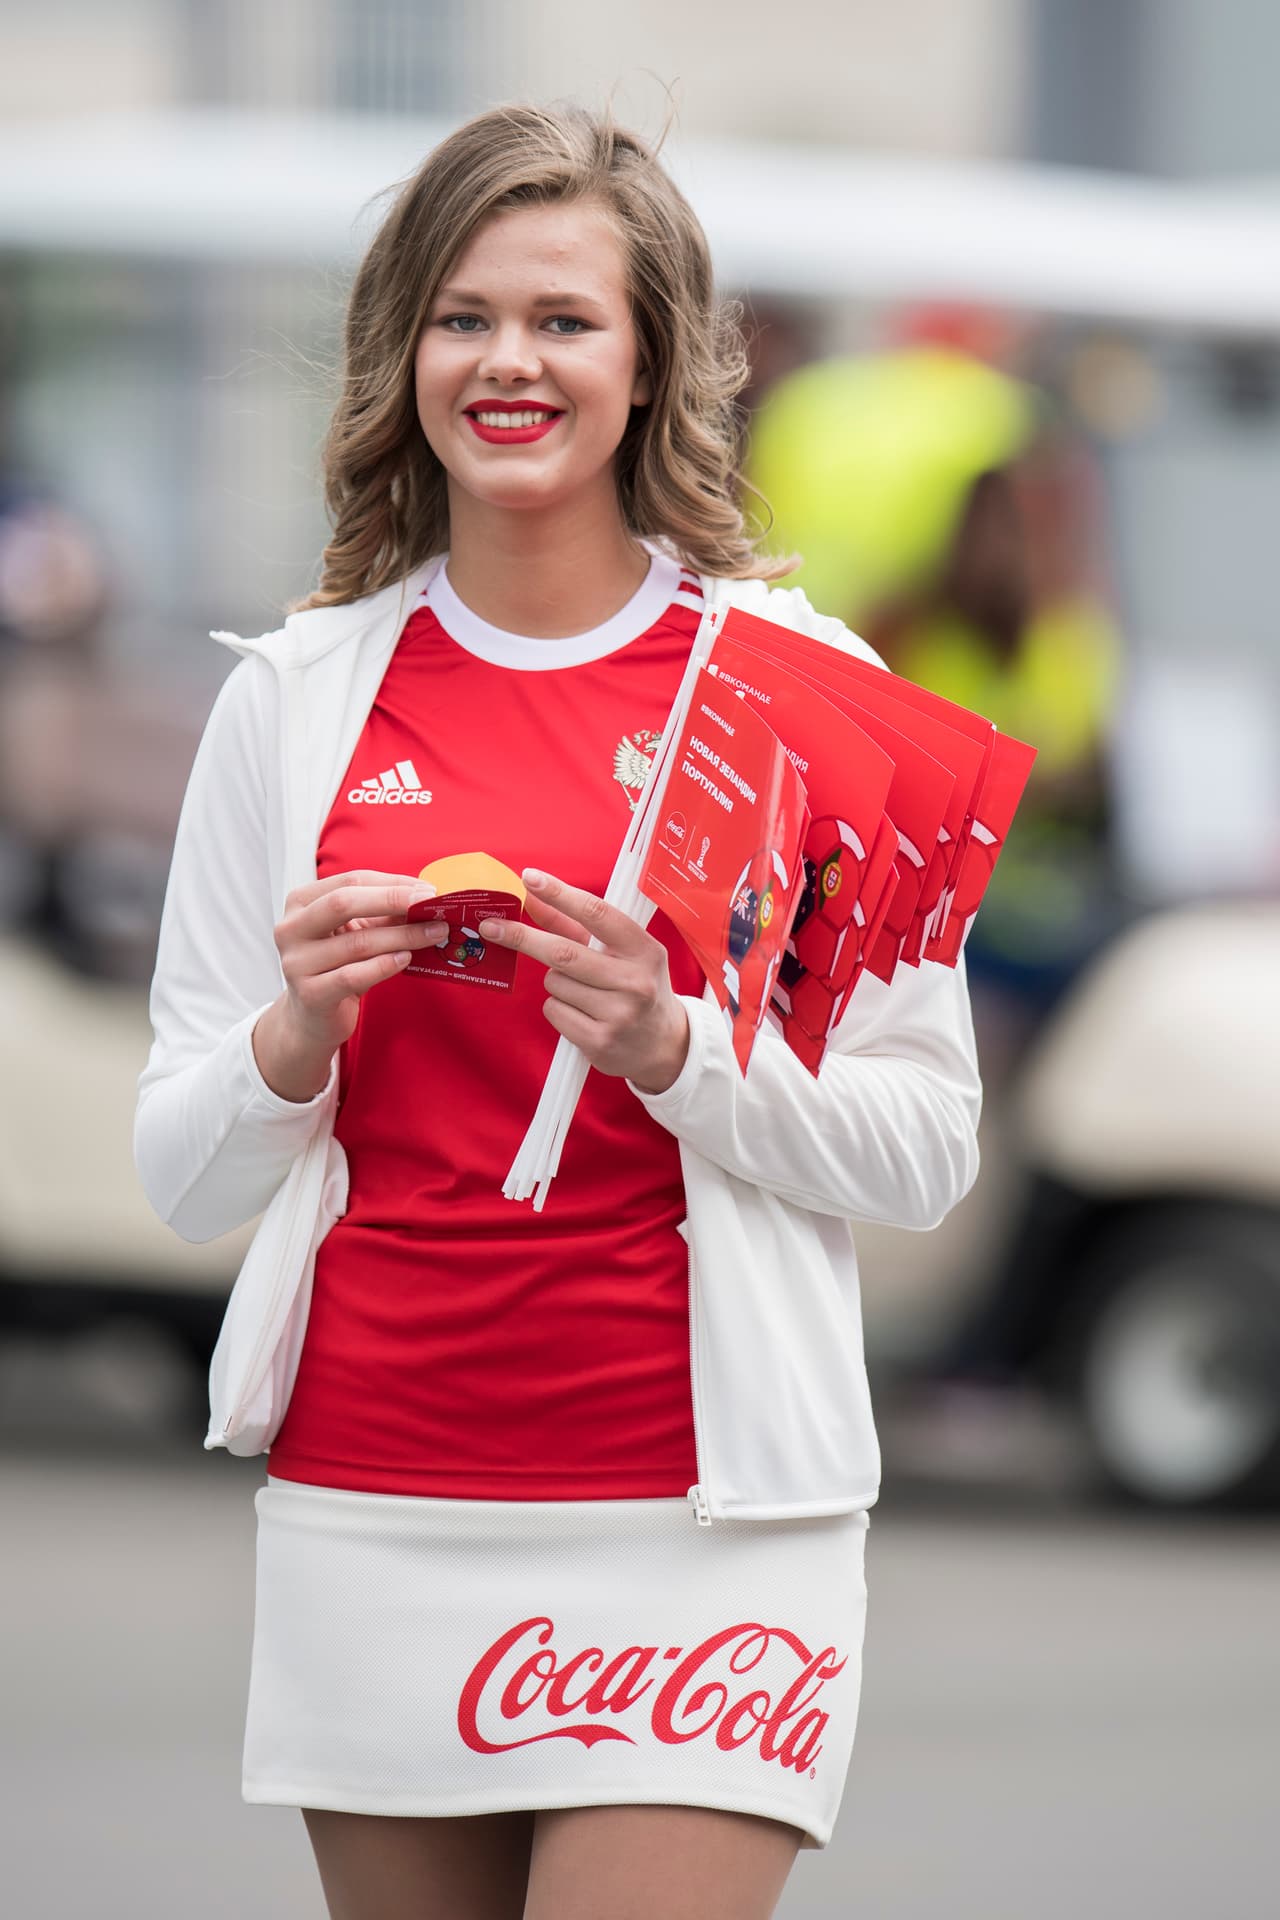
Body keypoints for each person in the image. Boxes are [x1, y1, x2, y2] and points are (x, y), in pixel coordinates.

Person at [133, 102, 983, 1920]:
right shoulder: (293, 702)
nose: (510, 361)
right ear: (405, 355)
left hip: (706, 1530)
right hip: (375, 1498)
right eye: (463, 316)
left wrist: (677, 1048)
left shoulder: (804, 693)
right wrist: (294, 1043)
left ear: (653, 359)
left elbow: (926, 1145)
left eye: (565, 318)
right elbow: (182, 1170)